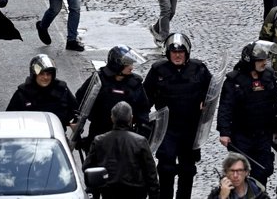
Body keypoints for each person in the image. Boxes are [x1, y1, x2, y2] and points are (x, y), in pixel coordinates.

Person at [143, 33, 212, 199]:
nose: (178, 55)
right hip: (167, 129)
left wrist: (205, 104)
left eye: (181, 52)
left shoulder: (199, 69)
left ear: (187, 53)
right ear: (168, 53)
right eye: (174, 52)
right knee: (166, 169)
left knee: (187, 170)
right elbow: (144, 97)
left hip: (190, 129)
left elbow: (211, 93)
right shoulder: (158, 70)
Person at [217, 40, 277, 185]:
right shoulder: (234, 80)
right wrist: (224, 132)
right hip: (241, 135)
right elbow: (226, 107)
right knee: (239, 173)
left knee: (263, 170)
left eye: (265, 59)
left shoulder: (268, 76)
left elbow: (275, 104)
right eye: (260, 60)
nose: (264, 63)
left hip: (263, 134)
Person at [77, 46, 152, 149]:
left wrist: (143, 131)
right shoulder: (99, 80)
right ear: (117, 64)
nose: (131, 67)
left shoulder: (134, 83)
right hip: (99, 132)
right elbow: (81, 101)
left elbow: (143, 108)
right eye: (128, 64)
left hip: (125, 136)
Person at [83, 101, 159, 199]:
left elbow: (88, 168)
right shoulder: (140, 142)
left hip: (109, 193)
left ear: (112, 118)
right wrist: (154, 195)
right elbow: (151, 175)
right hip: (136, 194)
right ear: (131, 118)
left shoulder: (99, 141)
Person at [6, 54, 79, 127]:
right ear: (34, 75)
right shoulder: (23, 92)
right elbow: (9, 118)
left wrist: (71, 123)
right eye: (41, 74)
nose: (45, 77)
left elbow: (75, 110)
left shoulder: (61, 89)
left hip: (56, 133)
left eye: (48, 74)